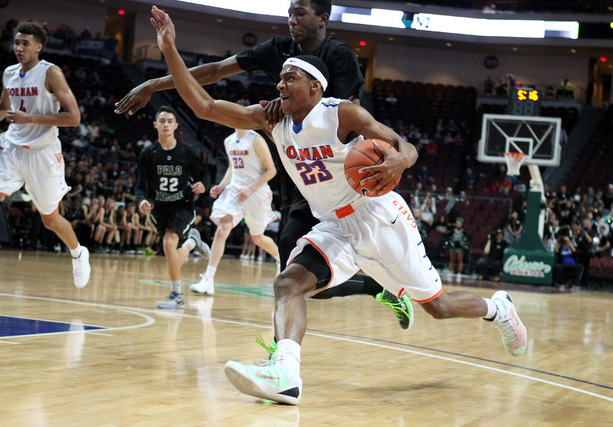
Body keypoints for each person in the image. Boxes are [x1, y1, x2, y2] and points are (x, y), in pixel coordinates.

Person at [150, 7, 528, 405]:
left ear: (315, 86)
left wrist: (403, 159)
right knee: (287, 283)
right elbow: (205, 107)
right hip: (334, 225)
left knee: (439, 306)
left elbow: (404, 146)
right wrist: (171, 49)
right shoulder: (271, 120)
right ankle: (286, 374)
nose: (280, 85)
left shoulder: (342, 114)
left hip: (380, 217)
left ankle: (497, 308)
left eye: (289, 78)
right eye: (279, 78)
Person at [115, 0, 412, 328]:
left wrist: (285, 106)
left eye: (300, 14)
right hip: (299, 177)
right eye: (289, 14)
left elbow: (339, 112)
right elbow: (213, 75)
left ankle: (280, 354)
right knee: (295, 280)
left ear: (323, 18)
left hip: (338, 178)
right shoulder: (277, 50)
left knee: (294, 279)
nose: (291, 21)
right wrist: (154, 83)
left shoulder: (338, 57)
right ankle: (378, 288)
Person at [0, 22, 90, 288]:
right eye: (16, 42)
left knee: (50, 220)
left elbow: (73, 118)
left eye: (25, 43)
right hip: (11, 149)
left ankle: (78, 253)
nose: (19, 48)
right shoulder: (10, 73)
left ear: (39, 46)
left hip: (43, 153)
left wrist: (30, 118)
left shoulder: (51, 73)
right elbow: (4, 106)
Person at [191, 103, 280, 295]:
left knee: (258, 238)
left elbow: (271, 170)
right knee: (222, 230)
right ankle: (208, 279)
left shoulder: (256, 139)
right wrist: (221, 186)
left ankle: (282, 260)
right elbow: (233, 168)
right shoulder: (229, 141)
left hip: (256, 193)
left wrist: (250, 188)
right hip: (235, 191)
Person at [135, 106, 211, 309]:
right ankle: (193, 243)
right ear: (155, 125)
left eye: (170, 120)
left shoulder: (187, 152)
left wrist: (204, 185)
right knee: (172, 250)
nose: (166, 124)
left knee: (169, 243)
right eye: (162, 120)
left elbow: (205, 173)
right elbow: (140, 185)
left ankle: (176, 296)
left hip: (182, 205)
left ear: (176, 125)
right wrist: (142, 201)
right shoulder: (148, 153)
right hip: (159, 208)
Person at [445, 217, 469, 281]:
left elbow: (466, 239)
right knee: (452, 260)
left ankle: (459, 274)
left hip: (460, 248)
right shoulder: (452, 230)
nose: (458, 224)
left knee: (460, 261)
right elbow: (449, 237)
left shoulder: (463, 231)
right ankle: (451, 272)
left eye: (459, 223)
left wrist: (462, 244)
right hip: (453, 247)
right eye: (457, 223)